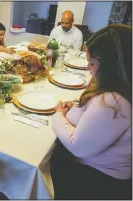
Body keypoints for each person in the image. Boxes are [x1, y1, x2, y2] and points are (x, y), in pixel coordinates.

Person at [50, 24, 132, 199]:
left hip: (97, 181)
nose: (88, 68)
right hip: (100, 170)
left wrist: (57, 115)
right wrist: (76, 107)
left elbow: (76, 145)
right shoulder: (118, 91)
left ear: (111, 66)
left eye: (92, 63)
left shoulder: (114, 101)